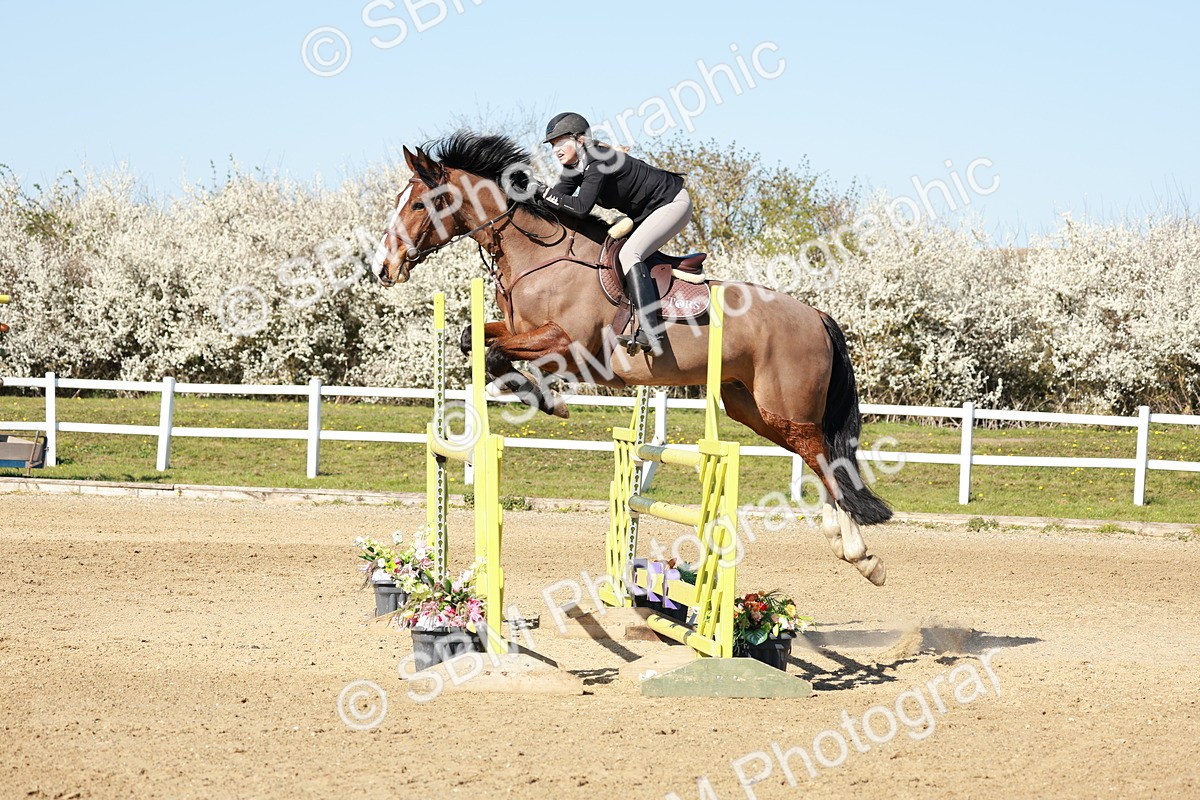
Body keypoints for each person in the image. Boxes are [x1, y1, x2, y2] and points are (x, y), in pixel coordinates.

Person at [533, 112, 691, 356]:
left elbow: (580, 208)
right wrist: (528, 197)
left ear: (580, 140)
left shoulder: (598, 161)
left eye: (560, 142)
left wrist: (543, 191)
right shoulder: (576, 166)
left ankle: (651, 332)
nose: (556, 150)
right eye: (552, 145)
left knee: (630, 254)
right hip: (647, 213)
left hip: (671, 203)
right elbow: (556, 203)